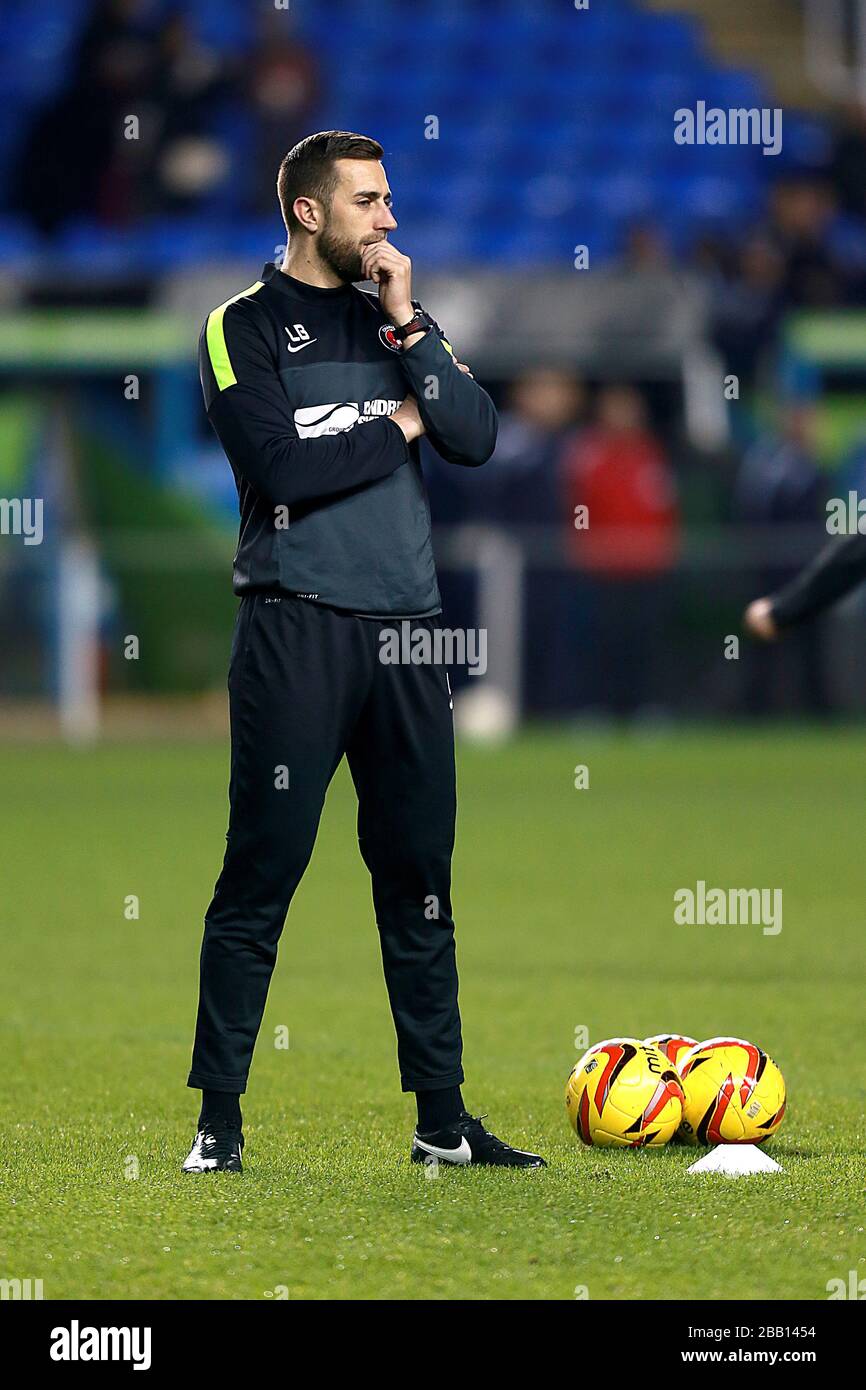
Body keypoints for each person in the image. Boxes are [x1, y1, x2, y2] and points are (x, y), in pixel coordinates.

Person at [183, 130, 545, 1174]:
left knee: (419, 878)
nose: (389, 219)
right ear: (308, 212)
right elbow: (280, 470)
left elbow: (471, 432)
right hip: (294, 628)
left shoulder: (401, 318)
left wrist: (406, 328)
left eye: (388, 200)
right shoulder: (238, 327)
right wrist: (398, 422)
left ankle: (442, 1123)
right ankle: (219, 1122)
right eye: (368, 201)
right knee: (261, 873)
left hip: (405, 634)